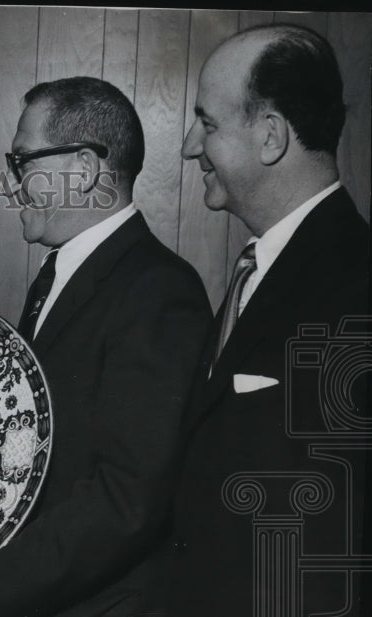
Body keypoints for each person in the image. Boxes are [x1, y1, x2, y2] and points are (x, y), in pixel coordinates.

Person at [0, 77, 213, 617]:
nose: (13, 185)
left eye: (23, 161)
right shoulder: (62, 275)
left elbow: (129, 497)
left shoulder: (159, 291)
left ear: (83, 170)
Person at [164, 24, 369, 616]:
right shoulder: (258, 267)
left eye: (207, 123)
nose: (187, 146)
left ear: (271, 137)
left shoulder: (355, 286)